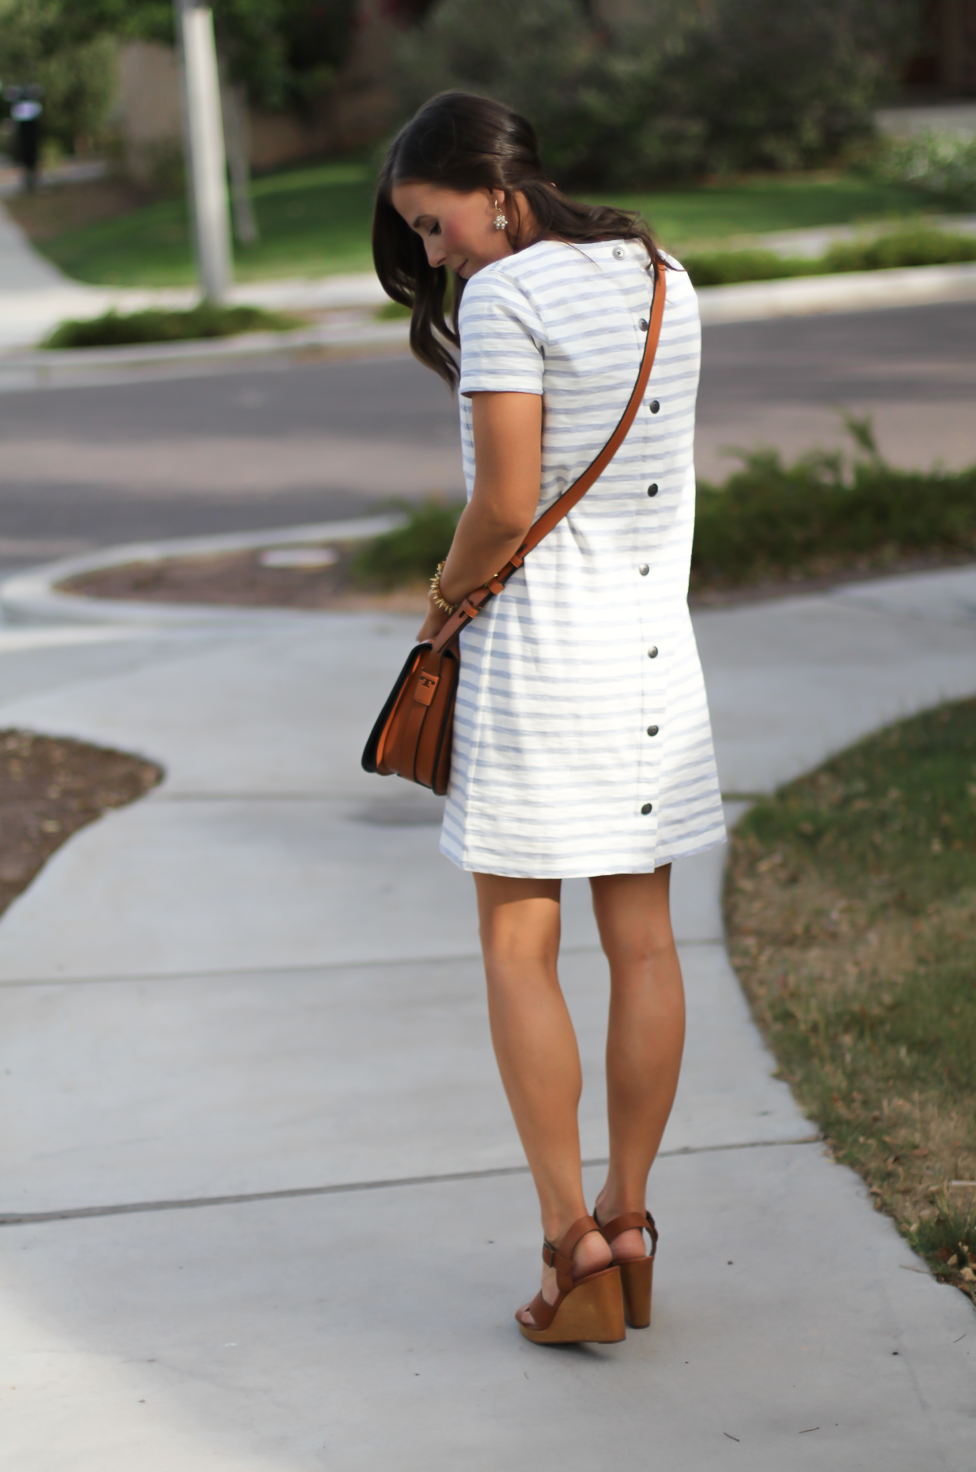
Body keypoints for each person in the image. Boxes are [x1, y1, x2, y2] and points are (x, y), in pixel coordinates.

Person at [373, 92, 726, 1345]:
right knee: (645, 945)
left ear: (492, 183)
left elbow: (507, 498)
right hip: (647, 664)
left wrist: (437, 608)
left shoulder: (509, 296)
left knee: (520, 948)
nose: (432, 252)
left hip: (534, 667)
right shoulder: (659, 275)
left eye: (433, 221)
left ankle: (568, 1240)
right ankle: (631, 1221)